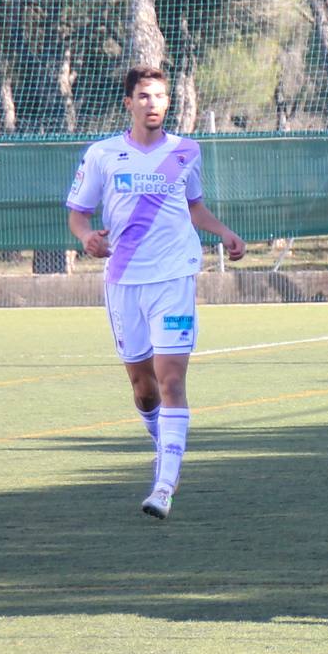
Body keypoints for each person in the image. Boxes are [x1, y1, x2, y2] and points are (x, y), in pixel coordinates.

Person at [66, 65, 246, 521]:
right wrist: (87, 238)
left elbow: (194, 206)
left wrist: (224, 232)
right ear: (128, 102)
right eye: (144, 96)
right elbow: (79, 213)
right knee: (144, 390)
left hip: (174, 277)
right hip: (124, 280)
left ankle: (165, 484)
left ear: (169, 103)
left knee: (170, 380)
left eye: (161, 96)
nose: (153, 104)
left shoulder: (186, 151)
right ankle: (160, 440)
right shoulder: (104, 155)